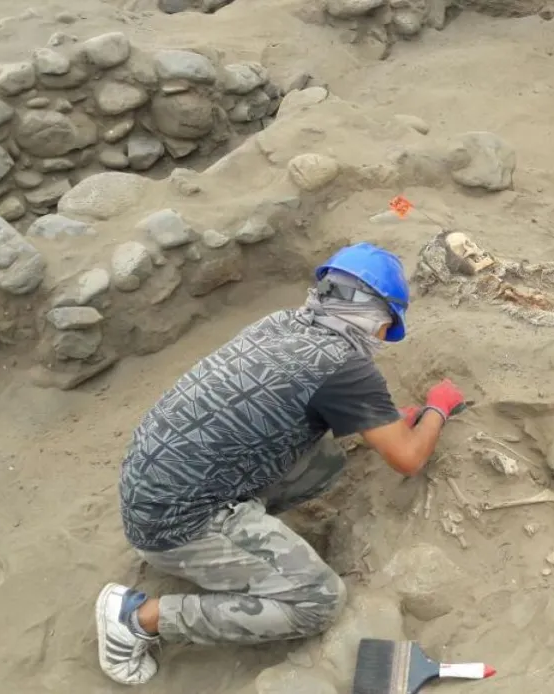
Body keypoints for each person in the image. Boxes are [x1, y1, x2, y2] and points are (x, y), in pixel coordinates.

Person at [94, 242, 467, 686]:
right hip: (177, 524)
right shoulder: (345, 367)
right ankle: (137, 619)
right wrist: (438, 408)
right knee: (319, 602)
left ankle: (225, 551)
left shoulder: (280, 323)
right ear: (374, 315)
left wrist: (386, 422)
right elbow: (407, 459)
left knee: (326, 460)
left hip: (152, 484)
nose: (383, 337)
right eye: (387, 327)